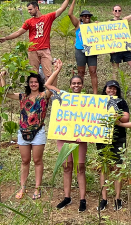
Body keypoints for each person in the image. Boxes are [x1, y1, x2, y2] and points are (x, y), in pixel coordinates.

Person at [45, 59, 89, 211]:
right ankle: (67, 197)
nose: (76, 85)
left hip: (80, 138)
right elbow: (48, 85)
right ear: (70, 85)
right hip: (63, 137)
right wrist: (58, 69)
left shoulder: (88, 100)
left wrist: (84, 135)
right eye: (74, 83)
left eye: (79, 83)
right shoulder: (63, 95)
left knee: (80, 167)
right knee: (66, 166)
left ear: (82, 85)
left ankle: (82, 199)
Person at [0, 0, 74, 77]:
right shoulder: (29, 22)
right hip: (32, 51)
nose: (29, 11)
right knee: (33, 75)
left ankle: (50, 90)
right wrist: (6, 38)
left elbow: (61, 9)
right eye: (28, 10)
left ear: (36, 8)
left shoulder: (47, 18)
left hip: (45, 50)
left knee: (49, 74)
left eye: (30, 9)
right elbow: (19, 32)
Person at [3, 72, 52, 200]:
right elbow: (6, 93)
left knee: (37, 160)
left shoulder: (43, 96)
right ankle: (23, 187)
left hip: (38, 132)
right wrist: (3, 78)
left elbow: (51, 87)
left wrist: (56, 70)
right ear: (28, 84)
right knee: (25, 161)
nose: (33, 84)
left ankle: (37, 188)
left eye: (36, 82)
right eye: (31, 82)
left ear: (39, 83)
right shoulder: (23, 96)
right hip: (23, 132)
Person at [96, 80, 130, 211]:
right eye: (110, 88)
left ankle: (117, 198)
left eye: (115, 88)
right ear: (105, 89)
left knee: (117, 168)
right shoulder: (98, 102)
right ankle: (104, 198)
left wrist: (117, 116)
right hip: (102, 137)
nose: (112, 90)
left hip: (118, 137)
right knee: (104, 167)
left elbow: (126, 118)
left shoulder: (121, 102)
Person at [67, 0, 98, 92]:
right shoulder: (78, 24)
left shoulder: (94, 26)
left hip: (92, 50)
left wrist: (98, 24)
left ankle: (95, 93)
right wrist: (74, 0)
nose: (87, 17)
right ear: (81, 17)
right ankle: (79, 92)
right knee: (81, 72)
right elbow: (70, 14)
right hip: (80, 50)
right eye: (85, 16)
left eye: (88, 16)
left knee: (93, 71)